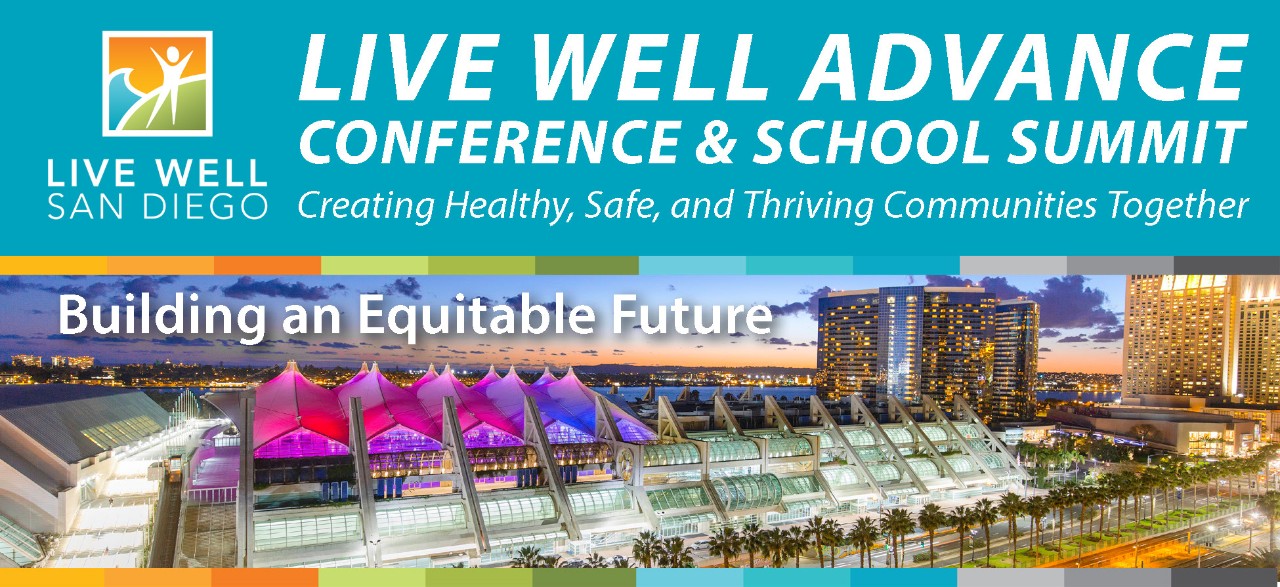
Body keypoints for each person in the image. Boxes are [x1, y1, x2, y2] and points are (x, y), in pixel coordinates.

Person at [146, 45, 193, 128]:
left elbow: (187, 56)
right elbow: (159, 57)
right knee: (160, 104)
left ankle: (173, 122)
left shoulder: (179, 65)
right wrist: (153, 49)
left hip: (173, 86)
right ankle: (149, 123)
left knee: (172, 102)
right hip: (166, 87)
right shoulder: (172, 65)